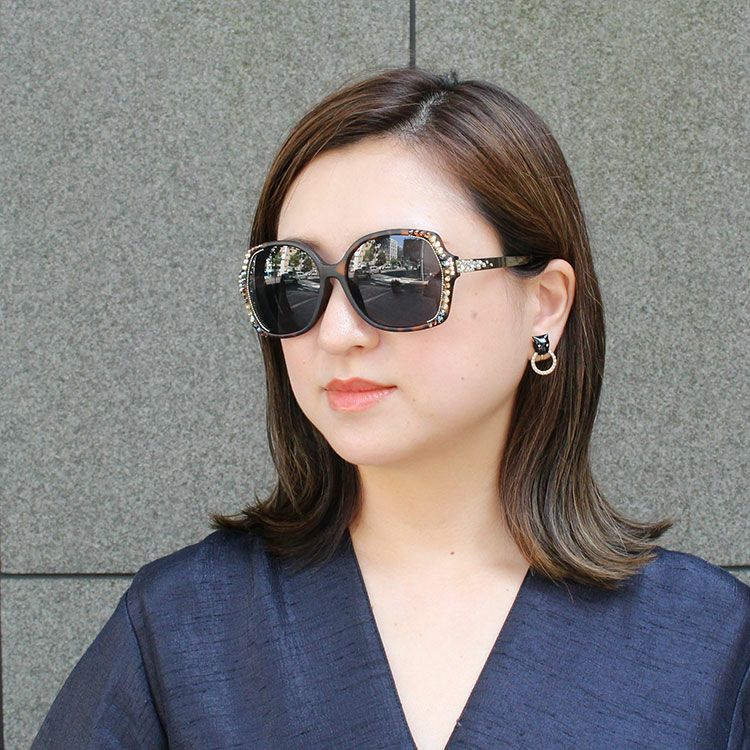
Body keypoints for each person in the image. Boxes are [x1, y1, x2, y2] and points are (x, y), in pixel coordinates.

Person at [32, 66, 749, 750]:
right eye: (295, 282)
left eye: (399, 274)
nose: (337, 333)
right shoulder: (181, 630)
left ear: (544, 304)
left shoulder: (709, 645)